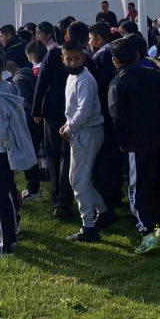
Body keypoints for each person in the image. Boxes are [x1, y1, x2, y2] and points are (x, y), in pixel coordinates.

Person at [109, 35, 160, 253]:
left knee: (138, 188)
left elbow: (117, 117)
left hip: (137, 145)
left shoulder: (117, 83)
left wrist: (121, 142)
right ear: (138, 55)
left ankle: (146, 231)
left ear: (114, 61)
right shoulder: (155, 76)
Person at [0, 50, 38, 259]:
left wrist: (7, 145)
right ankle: (8, 236)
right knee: (6, 194)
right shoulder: (8, 87)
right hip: (2, 153)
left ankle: (4, 247)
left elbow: (0, 129)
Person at [58, 39, 110, 242]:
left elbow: (85, 110)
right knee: (78, 179)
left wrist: (70, 128)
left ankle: (89, 227)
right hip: (79, 132)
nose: (72, 62)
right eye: (68, 59)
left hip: (87, 133)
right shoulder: (73, 77)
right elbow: (73, 108)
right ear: (62, 58)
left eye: (76, 58)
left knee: (79, 181)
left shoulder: (86, 79)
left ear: (84, 57)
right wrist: (67, 124)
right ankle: (104, 212)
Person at [32, 24, 72, 218]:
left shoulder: (55, 54)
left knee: (54, 155)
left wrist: (36, 110)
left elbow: (42, 83)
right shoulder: (84, 56)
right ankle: (64, 198)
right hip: (71, 112)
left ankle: (59, 198)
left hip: (54, 112)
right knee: (67, 156)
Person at [88, 22, 123, 212]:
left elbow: (100, 86)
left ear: (99, 39)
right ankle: (115, 193)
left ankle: (108, 195)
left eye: (91, 38)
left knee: (106, 158)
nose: (89, 42)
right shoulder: (115, 50)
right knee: (115, 158)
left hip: (105, 111)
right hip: (116, 111)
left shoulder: (101, 55)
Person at [19, 40, 47, 201]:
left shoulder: (28, 75)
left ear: (30, 56)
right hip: (50, 118)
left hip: (33, 120)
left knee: (31, 154)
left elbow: (28, 101)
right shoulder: (51, 69)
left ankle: (33, 189)